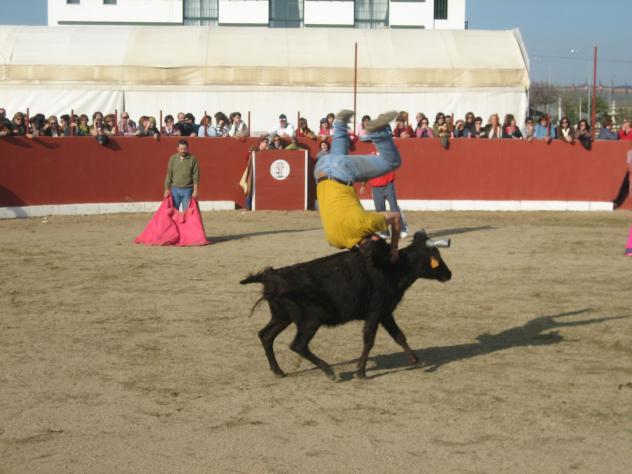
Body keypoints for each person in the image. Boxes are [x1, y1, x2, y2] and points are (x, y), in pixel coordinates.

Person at [314, 109, 403, 263]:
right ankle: (340, 124)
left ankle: (376, 132)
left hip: (341, 172)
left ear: (375, 238)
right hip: (320, 169)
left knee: (392, 162)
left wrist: (394, 247)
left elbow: (396, 217)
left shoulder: (365, 224)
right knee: (338, 156)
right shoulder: (336, 241)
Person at [164, 139, 200, 212]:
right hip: (175, 189)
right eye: (181, 149)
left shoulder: (192, 159)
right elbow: (169, 174)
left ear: (187, 148)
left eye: (185, 149)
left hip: (188, 190)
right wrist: (166, 189)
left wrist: (195, 190)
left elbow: (195, 175)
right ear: (177, 148)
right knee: (174, 211)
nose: (183, 151)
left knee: (187, 212)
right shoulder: (173, 158)